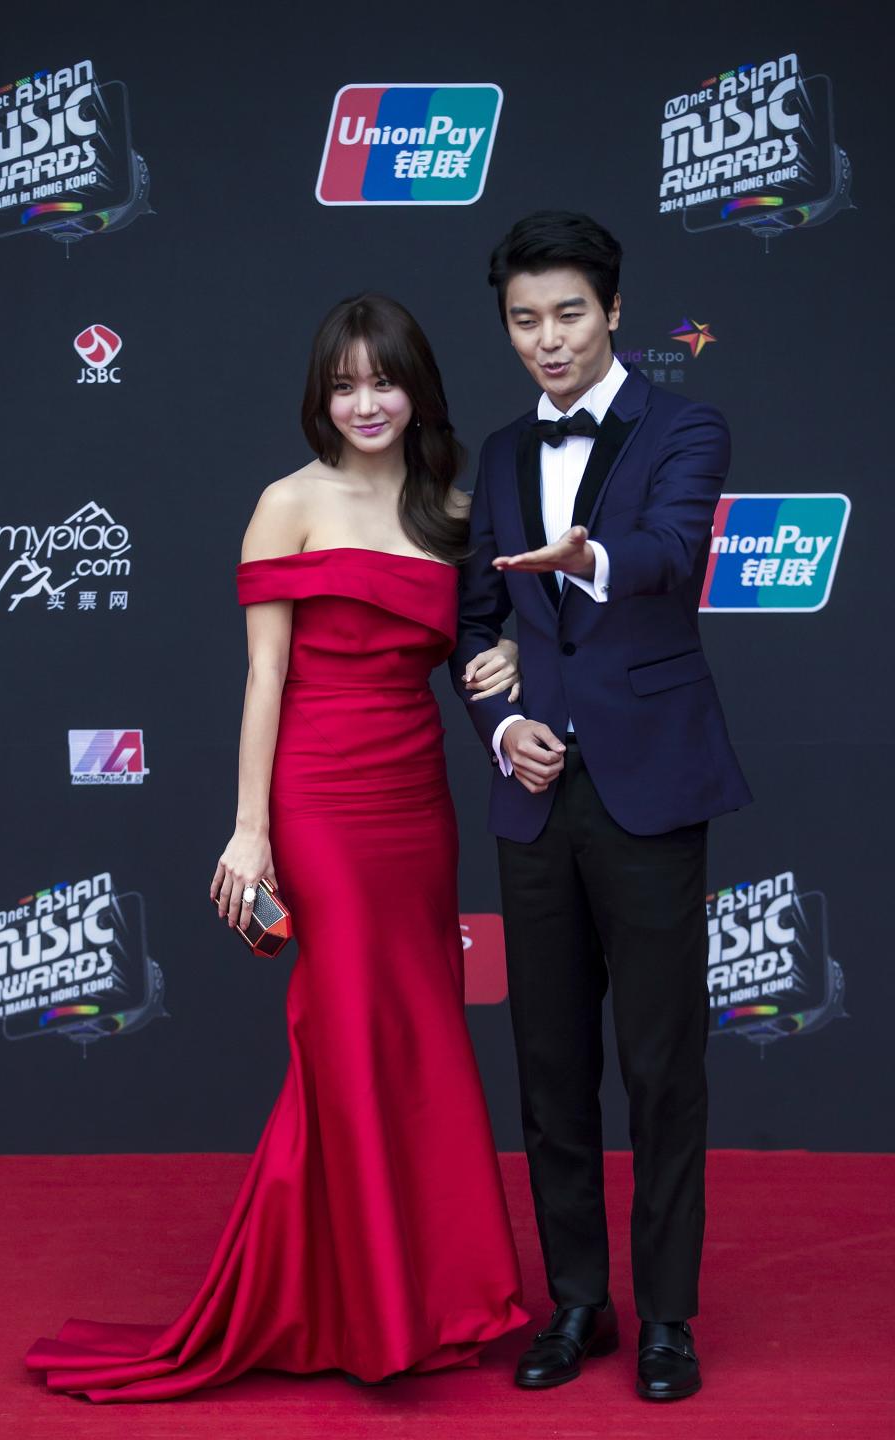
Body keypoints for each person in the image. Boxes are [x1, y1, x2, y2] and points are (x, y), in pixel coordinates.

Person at [25, 294, 528, 1401]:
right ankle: (371, 1307)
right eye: (343, 385)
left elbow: (480, 649)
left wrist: (501, 672)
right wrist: (250, 830)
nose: (364, 403)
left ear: (416, 389)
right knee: (341, 1033)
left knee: (417, 1034)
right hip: (319, 798)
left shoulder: (455, 508)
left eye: (383, 381)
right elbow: (267, 677)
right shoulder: (285, 504)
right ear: (320, 395)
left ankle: (424, 1290)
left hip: (415, 801)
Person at [451, 211, 752, 1402]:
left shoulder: (687, 426)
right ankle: (579, 1302)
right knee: (549, 1065)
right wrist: (499, 723)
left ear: (614, 311)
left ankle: (668, 1316)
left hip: (650, 784)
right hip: (535, 796)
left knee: (663, 1064)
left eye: (569, 313)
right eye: (525, 321)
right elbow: (478, 624)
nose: (548, 341)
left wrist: (587, 558)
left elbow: (672, 552)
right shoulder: (499, 449)